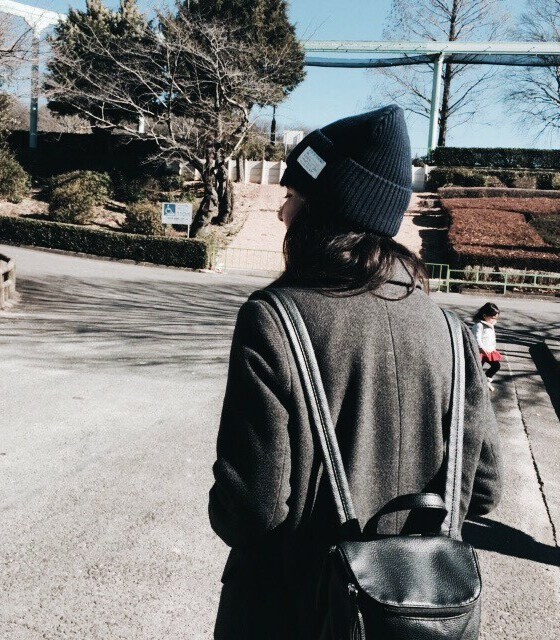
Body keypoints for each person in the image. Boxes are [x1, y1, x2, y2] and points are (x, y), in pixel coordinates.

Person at [208, 105, 503, 640]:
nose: (282, 213)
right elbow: (482, 491)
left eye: (291, 196)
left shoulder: (274, 319)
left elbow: (252, 511)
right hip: (417, 618)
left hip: (290, 613)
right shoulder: (453, 334)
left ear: (321, 210)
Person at [471, 302, 502, 391]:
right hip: (480, 352)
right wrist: (481, 348)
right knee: (477, 369)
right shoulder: (479, 325)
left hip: (489, 351)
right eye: (492, 318)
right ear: (485, 316)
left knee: (496, 366)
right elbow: (476, 338)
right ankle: (474, 385)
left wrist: (493, 348)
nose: (494, 320)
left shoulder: (490, 325)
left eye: (496, 318)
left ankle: (486, 379)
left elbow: (491, 338)